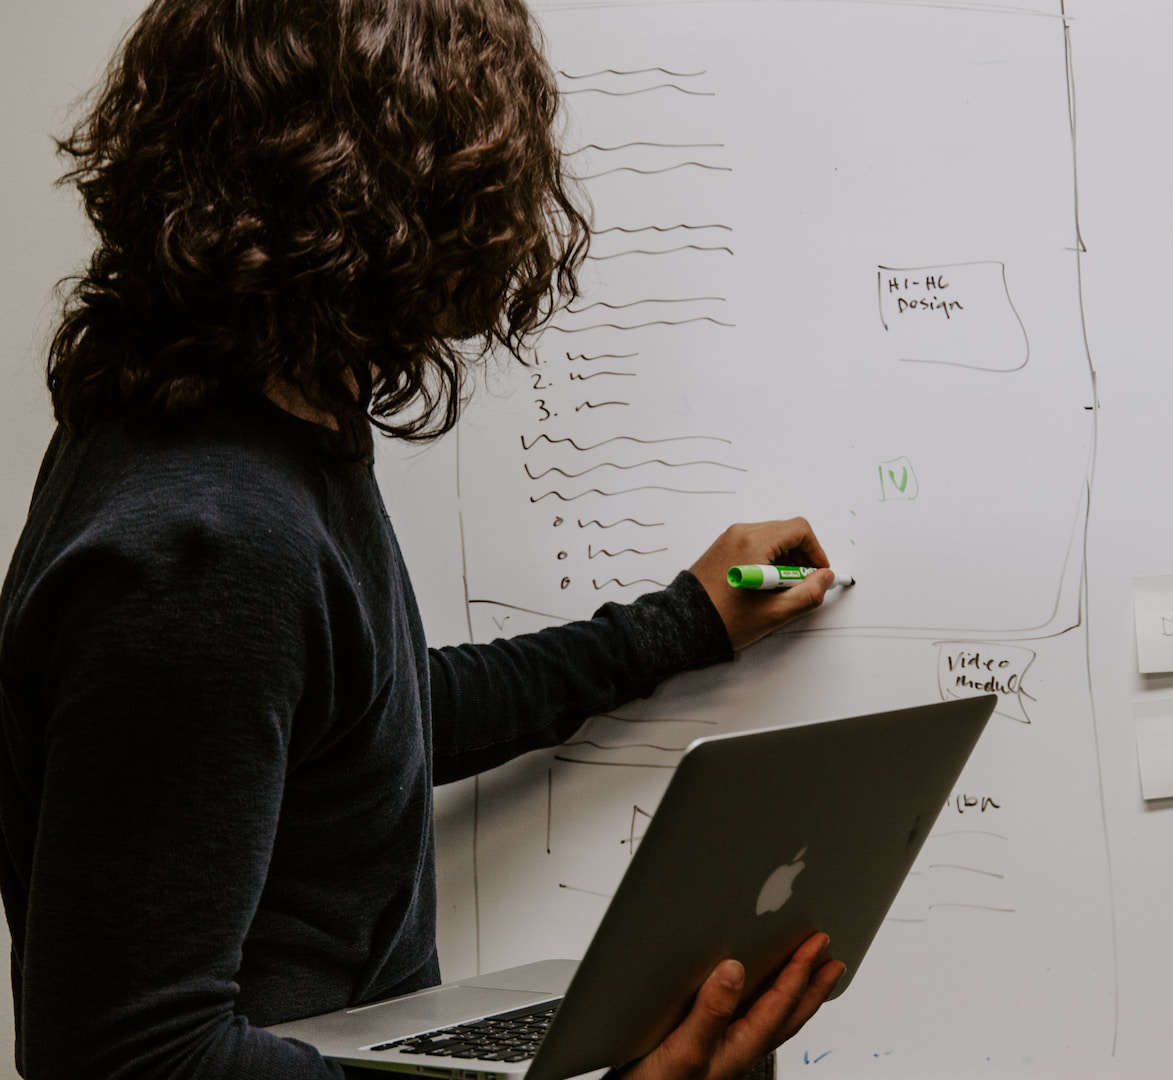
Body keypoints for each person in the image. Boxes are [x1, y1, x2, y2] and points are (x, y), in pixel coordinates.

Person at [0, 1, 845, 1077]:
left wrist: (681, 624)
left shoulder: (263, 429)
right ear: (383, 196)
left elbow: (359, 727)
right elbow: (126, 1058)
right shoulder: (203, 542)